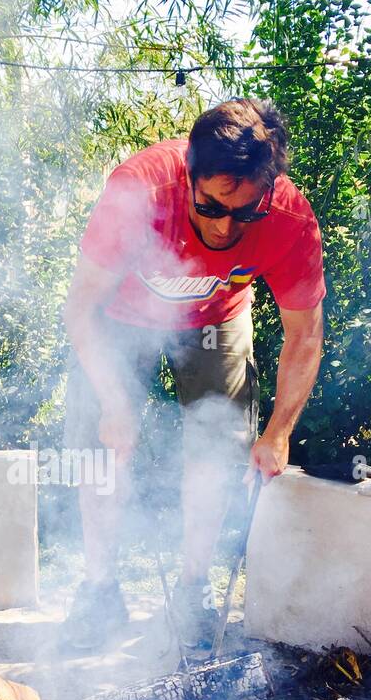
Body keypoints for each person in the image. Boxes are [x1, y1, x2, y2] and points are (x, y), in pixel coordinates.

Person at [61, 97, 326, 650]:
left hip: (216, 318)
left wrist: (278, 433)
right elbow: (80, 309)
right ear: (189, 177)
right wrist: (115, 403)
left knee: (218, 452)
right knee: (103, 452)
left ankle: (192, 592)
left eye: (245, 212)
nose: (227, 227)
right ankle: (101, 591)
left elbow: (304, 335)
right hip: (117, 318)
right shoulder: (141, 190)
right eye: (211, 206)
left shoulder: (290, 219)